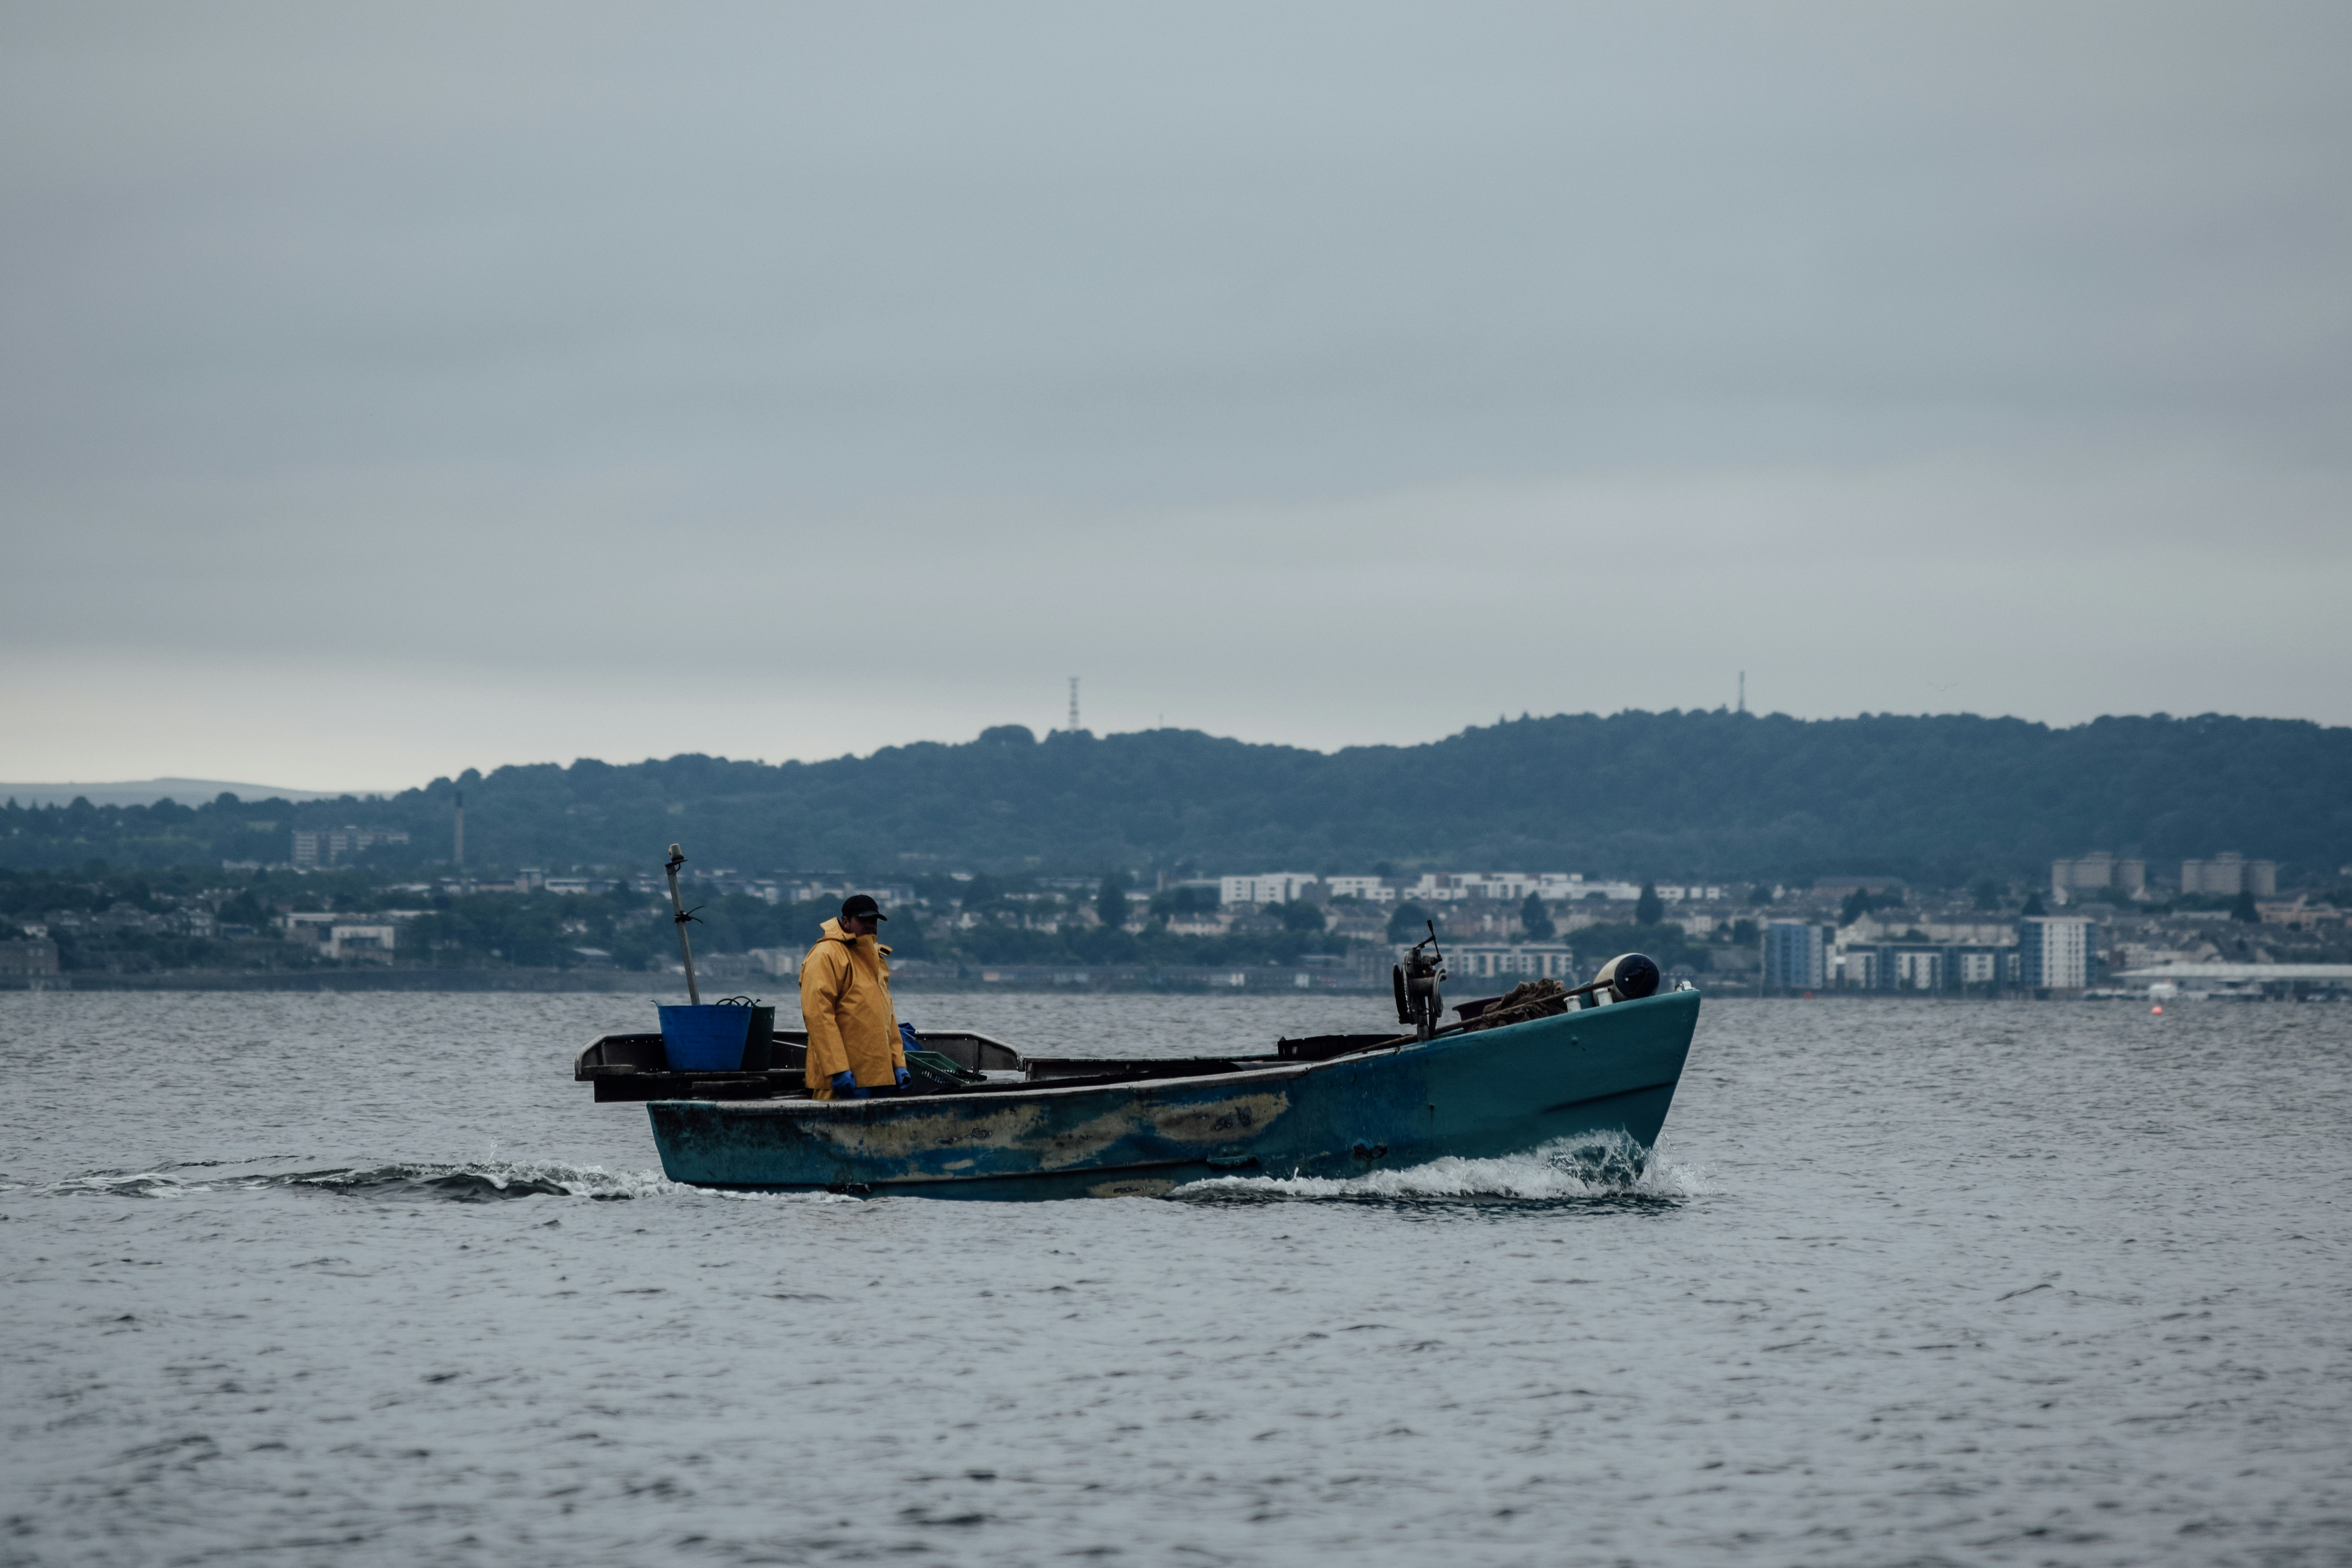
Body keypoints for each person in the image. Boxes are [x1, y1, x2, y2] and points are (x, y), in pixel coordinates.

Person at [799, 893, 911, 1100]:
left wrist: (898, 1064)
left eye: (874, 921)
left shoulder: (875, 958)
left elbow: (888, 1018)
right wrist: (837, 1070)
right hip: (842, 1083)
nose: (870, 925)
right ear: (845, 922)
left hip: (879, 1079)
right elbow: (818, 1016)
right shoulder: (826, 954)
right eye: (863, 920)